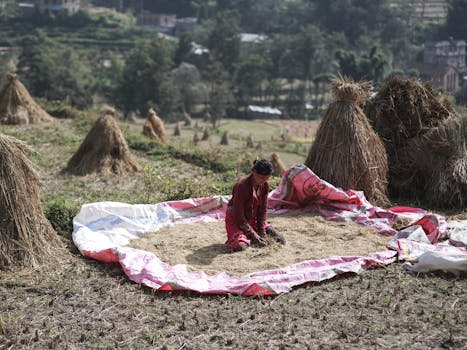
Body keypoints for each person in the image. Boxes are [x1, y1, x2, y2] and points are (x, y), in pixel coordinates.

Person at [225, 159, 286, 251]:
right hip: (237, 220)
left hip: (252, 219)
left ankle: (247, 236)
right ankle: (238, 237)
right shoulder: (241, 186)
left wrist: (262, 233)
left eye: (267, 178)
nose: (264, 181)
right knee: (240, 246)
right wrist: (253, 235)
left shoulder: (265, 186)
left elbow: (262, 211)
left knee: (280, 239)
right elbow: (239, 217)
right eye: (261, 177)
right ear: (254, 172)